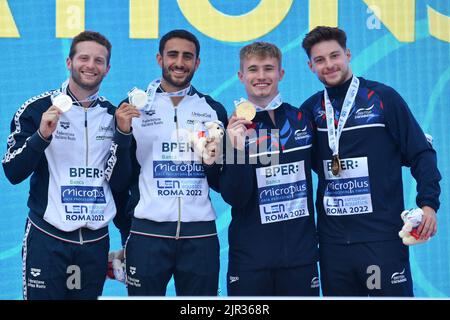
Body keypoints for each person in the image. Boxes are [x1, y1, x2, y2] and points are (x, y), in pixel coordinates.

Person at [300, 26, 441, 296]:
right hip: (333, 245)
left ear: (348, 54)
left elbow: (421, 153)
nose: (329, 65)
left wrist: (429, 205)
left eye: (334, 56)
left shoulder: (383, 98)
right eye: (320, 60)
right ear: (310, 66)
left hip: (382, 239)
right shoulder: (310, 111)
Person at [2, 30, 130, 300]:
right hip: (47, 240)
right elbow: (13, 172)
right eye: (83, 58)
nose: (91, 65)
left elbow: (120, 184)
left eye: (99, 61)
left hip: (94, 244)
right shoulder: (36, 109)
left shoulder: (112, 115)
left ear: (107, 69)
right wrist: (41, 136)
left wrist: (128, 236)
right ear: (69, 62)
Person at [110, 29, 228, 296]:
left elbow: (222, 182)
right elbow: (117, 180)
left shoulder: (214, 110)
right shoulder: (131, 108)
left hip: (200, 235)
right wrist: (123, 134)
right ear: (159, 58)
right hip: (147, 234)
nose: (179, 62)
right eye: (172, 54)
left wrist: (212, 162)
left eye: (188, 56)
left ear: (197, 62)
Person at [220, 42, 319, 296]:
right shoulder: (233, 128)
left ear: (281, 74)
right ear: (241, 76)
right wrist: (238, 149)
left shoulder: (302, 119)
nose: (261, 76)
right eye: (253, 69)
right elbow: (234, 196)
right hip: (251, 262)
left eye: (268, 69)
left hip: (301, 258)